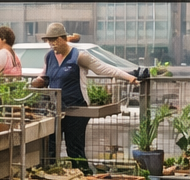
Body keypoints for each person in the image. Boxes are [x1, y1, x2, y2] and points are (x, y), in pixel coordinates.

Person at [32, 23, 137, 167]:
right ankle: (51, 173)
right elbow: (44, 76)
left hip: (77, 109)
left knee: (74, 147)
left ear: (63, 39)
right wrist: (36, 82)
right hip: (56, 109)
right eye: (49, 41)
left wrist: (128, 77)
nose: (52, 44)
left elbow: (103, 68)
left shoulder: (79, 56)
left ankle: (83, 174)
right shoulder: (49, 56)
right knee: (50, 145)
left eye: (54, 40)